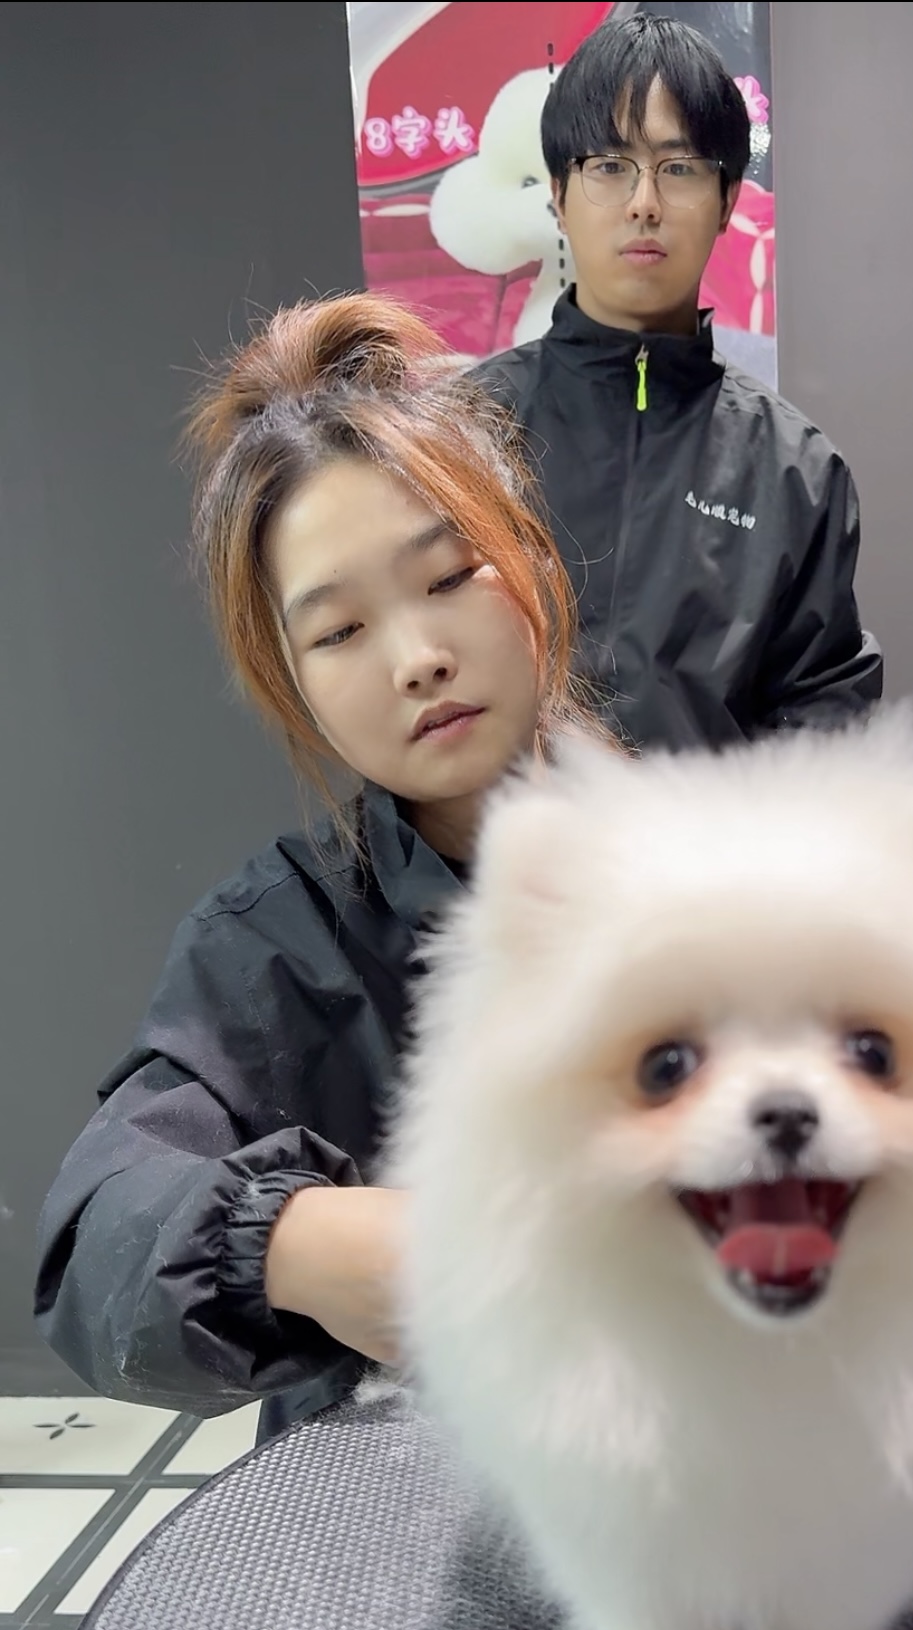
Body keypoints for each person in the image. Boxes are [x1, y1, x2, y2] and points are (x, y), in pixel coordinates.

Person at [34, 295, 610, 1436]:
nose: (418, 658)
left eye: (449, 576)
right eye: (340, 631)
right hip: (388, 1488)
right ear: (291, 681)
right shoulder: (276, 945)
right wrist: (288, 1242)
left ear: (531, 560)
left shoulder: (707, 860)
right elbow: (93, 1237)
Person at [474, 11, 883, 749]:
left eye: (679, 167)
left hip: (711, 829)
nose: (644, 203)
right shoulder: (460, 434)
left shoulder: (795, 472)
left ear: (726, 202)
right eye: (609, 166)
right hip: (502, 828)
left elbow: (823, 714)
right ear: (559, 196)